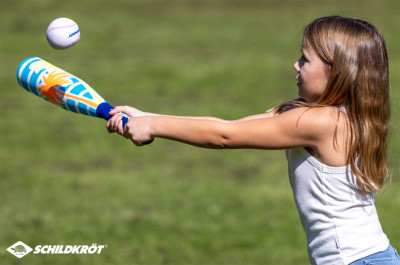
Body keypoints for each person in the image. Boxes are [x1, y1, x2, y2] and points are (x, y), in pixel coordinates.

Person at [106, 16, 400, 265]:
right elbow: (229, 125)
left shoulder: (322, 122)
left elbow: (225, 136)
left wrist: (154, 125)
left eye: (305, 59)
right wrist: (147, 117)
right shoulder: (338, 115)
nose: (295, 65)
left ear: (337, 71)